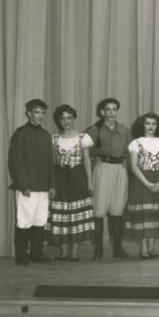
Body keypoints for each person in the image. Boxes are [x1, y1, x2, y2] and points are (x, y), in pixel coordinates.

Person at [8, 99, 54, 265]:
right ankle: (22, 256)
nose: (39, 116)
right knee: (24, 220)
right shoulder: (20, 133)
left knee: (40, 219)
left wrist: (52, 185)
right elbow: (15, 162)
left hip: (43, 187)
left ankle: (37, 253)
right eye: (36, 112)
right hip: (27, 187)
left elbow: (50, 162)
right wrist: (23, 185)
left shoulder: (46, 135)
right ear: (28, 113)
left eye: (42, 112)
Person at [85, 97, 131, 260]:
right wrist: (94, 162)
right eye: (108, 109)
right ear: (102, 112)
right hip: (102, 169)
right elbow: (86, 152)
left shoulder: (124, 129)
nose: (111, 112)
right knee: (99, 210)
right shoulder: (94, 129)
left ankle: (118, 248)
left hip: (119, 170)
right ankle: (99, 250)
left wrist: (125, 162)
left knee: (117, 210)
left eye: (114, 109)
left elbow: (129, 150)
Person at [47, 105, 94, 262]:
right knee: (61, 214)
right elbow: (52, 163)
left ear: (74, 119)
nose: (66, 121)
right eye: (62, 118)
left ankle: (74, 251)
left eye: (69, 118)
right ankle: (63, 251)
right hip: (60, 179)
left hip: (77, 177)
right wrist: (52, 184)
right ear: (58, 120)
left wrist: (89, 182)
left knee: (75, 213)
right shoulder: (54, 138)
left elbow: (87, 160)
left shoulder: (83, 137)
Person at [125, 113, 159, 259]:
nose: (150, 126)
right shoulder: (136, 143)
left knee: (155, 214)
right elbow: (133, 166)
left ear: (157, 126)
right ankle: (143, 248)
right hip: (141, 182)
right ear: (142, 125)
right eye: (147, 123)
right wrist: (148, 184)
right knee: (144, 216)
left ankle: (151, 248)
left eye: (153, 123)